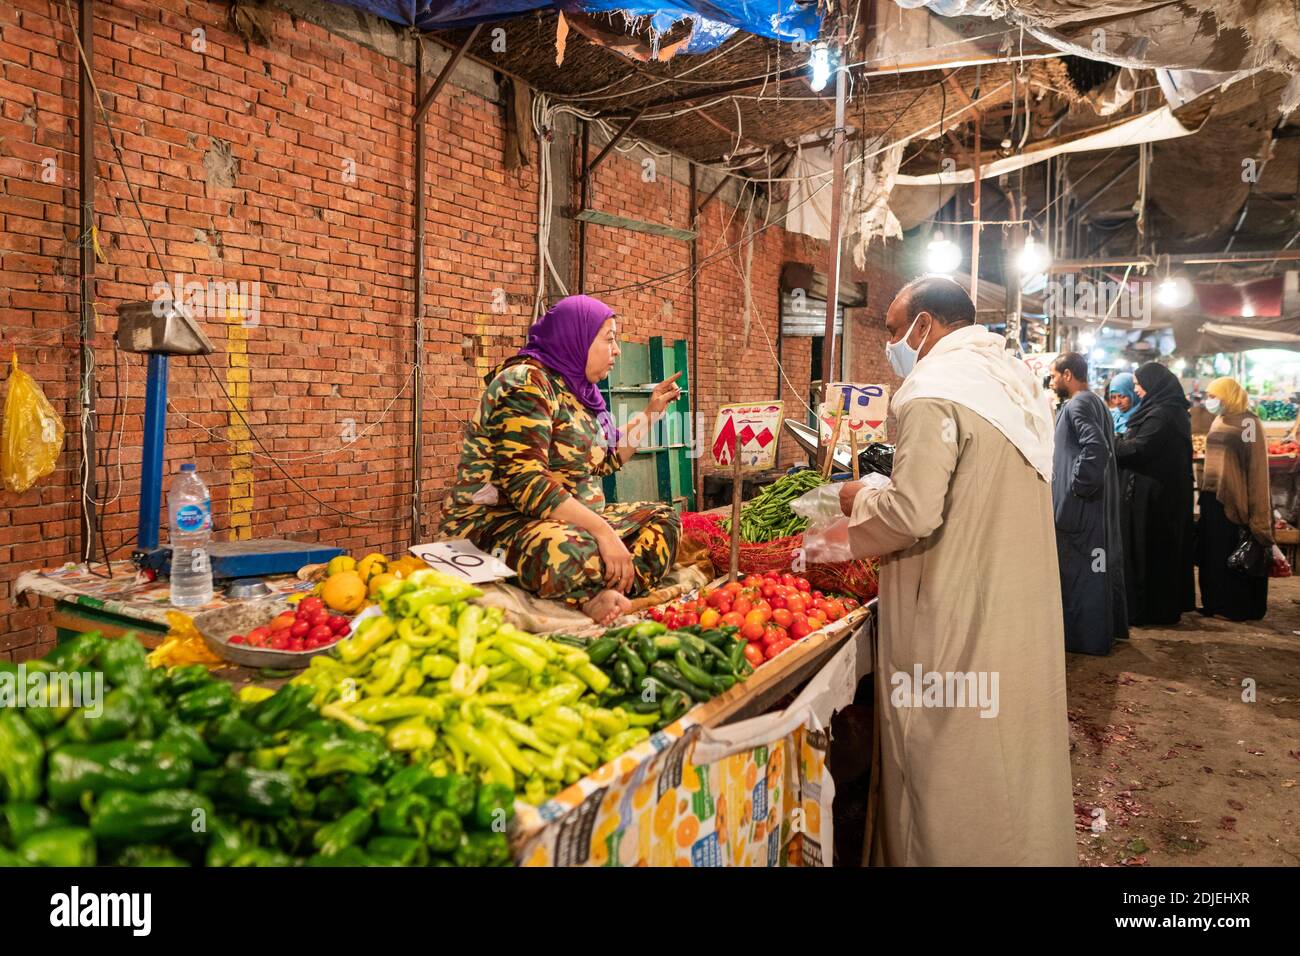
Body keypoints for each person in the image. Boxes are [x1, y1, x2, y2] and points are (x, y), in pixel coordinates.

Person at [836, 275, 1074, 866]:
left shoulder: (931, 390)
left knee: (942, 760)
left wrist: (857, 501)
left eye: (894, 331)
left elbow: (912, 512)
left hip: (955, 610)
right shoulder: (1010, 383)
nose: (891, 345)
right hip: (1016, 608)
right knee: (1012, 758)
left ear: (926, 325)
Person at [440, 295, 682, 625]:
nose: (617, 350)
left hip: (574, 517)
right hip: (499, 524)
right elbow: (527, 484)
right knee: (568, 548)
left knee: (663, 519)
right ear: (577, 338)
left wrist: (652, 413)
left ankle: (611, 586)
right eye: (609, 339)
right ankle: (593, 592)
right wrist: (604, 533)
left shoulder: (575, 390)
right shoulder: (525, 382)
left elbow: (605, 459)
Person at [1050, 353, 1129, 655]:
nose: (1053, 381)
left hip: (1080, 505)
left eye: (1055, 375)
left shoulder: (1079, 403)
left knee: (1081, 571)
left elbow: (1096, 447)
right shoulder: (1096, 402)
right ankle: (1100, 635)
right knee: (1095, 569)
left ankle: (1086, 639)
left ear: (1068, 374)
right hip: (1092, 504)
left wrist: (1077, 487)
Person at [1113, 362, 1196, 626]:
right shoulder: (1167, 411)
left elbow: (1139, 450)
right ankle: (1155, 606)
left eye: (1139, 384)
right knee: (1156, 551)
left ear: (1154, 384)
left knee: (1151, 551)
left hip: (1156, 500)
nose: (1137, 390)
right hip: (1161, 495)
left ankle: (1152, 609)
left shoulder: (1164, 414)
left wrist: (1111, 441)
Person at [1197, 377, 1273, 620]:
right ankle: (1214, 603)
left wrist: (1256, 510)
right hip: (1212, 496)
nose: (1210, 401)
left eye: (1214, 395)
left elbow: (1256, 465)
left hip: (1234, 499)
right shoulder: (1219, 419)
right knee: (1214, 555)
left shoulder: (1249, 422)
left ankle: (1237, 607)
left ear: (1229, 395)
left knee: (1235, 555)